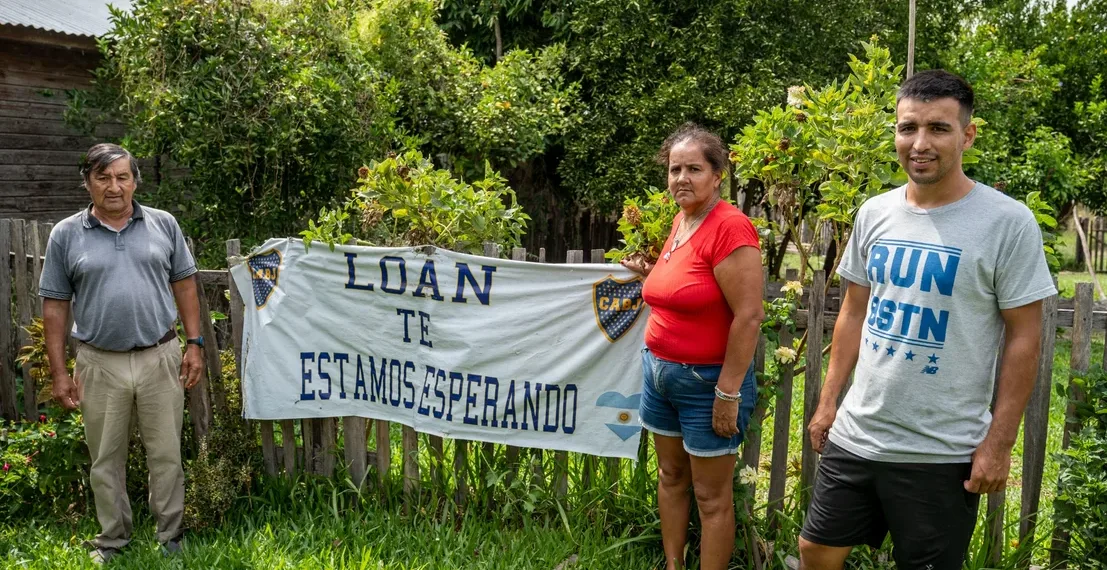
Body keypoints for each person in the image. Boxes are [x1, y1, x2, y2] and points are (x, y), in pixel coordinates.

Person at [799, 70, 1056, 570]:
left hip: (941, 450)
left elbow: (1025, 337)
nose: (919, 143)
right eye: (907, 127)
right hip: (859, 434)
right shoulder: (875, 213)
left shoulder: (1007, 222)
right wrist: (829, 402)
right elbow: (853, 310)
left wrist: (998, 444)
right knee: (816, 550)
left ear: (968, 134)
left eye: (938, 128)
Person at [40, 143, 205, 564]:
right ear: (88, 182)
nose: (114, 187)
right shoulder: (66, 234)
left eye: (122, 177)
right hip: (98, 362)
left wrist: (195, 343)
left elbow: (185, 284)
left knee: (166, 454)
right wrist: (60, 372)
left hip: (160, 355)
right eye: (103, 177)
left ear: (135, 181)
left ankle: (170, 536)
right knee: (105, 459)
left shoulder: (163, 225)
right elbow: (56, 304)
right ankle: (112, 539)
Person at [622, 123, 764, 570]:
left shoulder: (730, 228)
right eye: (674, 169)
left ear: (718, 175)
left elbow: (749, 316)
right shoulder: (684, 220)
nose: (681, 178)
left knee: (710, 495)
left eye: (694, 169)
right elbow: (693, 290)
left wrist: (727, 392)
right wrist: (651, 277)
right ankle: (673, 565)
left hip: (706, 382)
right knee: (670, 476)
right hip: (660, 373)